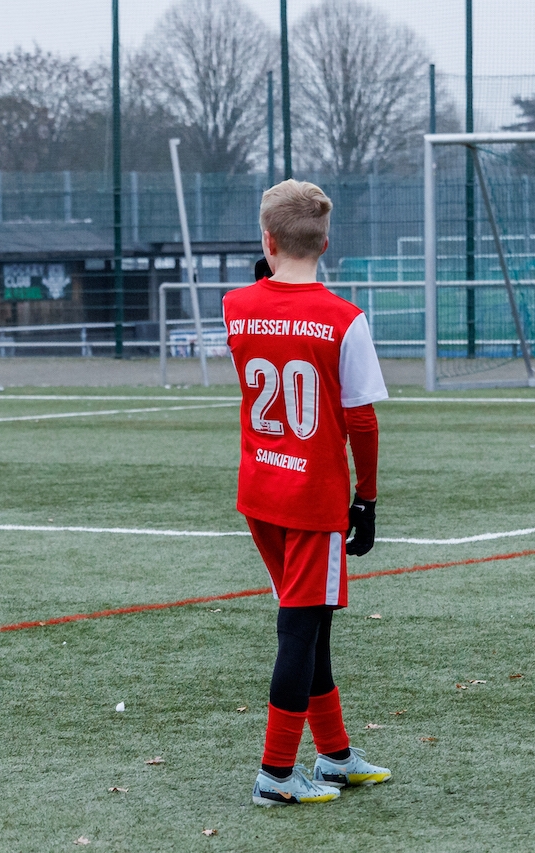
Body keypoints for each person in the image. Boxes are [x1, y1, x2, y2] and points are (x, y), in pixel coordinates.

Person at [222, 179, 391, 807]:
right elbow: (361, 422)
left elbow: (261, 326)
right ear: (326, 242)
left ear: (267, 241)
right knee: (299, 630)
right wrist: (366, 499)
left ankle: (335, 755)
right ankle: (275, 773)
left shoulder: (235, 305)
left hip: (260, 490)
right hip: (312, 498)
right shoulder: (344, 319)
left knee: (312, 622)